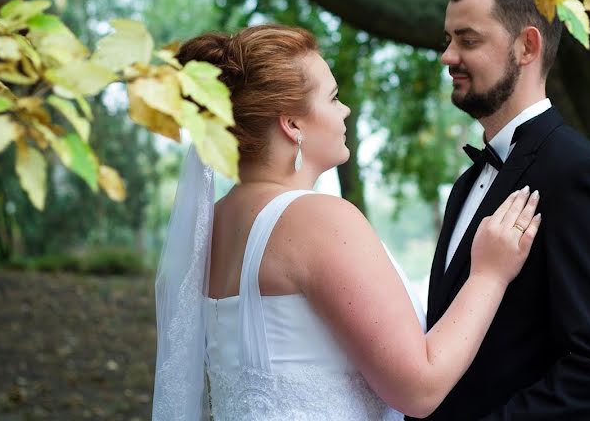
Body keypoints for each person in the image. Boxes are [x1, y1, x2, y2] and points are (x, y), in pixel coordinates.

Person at [151, 24, 542, 421]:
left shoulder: (211, 225)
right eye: (333, 98)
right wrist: (489, 275)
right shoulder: (316, 219)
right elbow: (419, 389)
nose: (346, 110)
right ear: (293, 124)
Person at [416, 0, 590, 420]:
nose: (447, 56)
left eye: (468, 39)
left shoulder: (580, 174)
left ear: (527, 46)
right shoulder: (465, 186)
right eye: (448, 39)